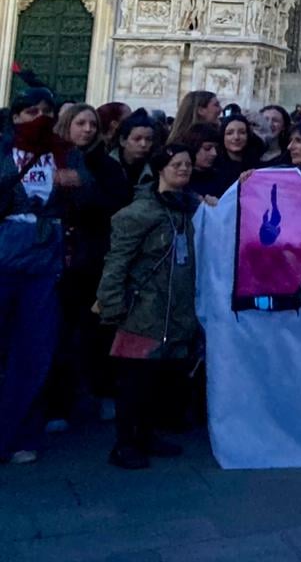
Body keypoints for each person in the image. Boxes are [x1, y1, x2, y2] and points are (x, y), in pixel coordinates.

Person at [97, 144, 204, 470]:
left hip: (174, 310)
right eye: (176, 164)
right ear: (160, 169)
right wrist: (112, 304)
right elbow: (117, 262)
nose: (183, 169)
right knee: (135, 380)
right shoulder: (139, 213)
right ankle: (125, 443)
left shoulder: (189, 209)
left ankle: (145, 434)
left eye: (187, 164)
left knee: (157, 379)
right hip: (142, 309)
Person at [0, 86, 90, 465]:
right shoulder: (4, 149)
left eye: (46, 111)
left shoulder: (65, 153)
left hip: (45, 258)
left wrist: (77, 183)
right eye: (31, 111)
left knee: (34, 348)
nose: (39, 118)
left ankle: (17, 433)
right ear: (16, 116)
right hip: (6, 252)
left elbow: (89, 195)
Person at [45, 103, 127, 432]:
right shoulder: (48, 160)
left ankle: (101, 391)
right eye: (80, 123)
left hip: (91, 258)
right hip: (54, 257)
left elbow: (117, 205)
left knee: (97, 331)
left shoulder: (105, 165)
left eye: (92, 123)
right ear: (67, 125)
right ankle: (57, 404)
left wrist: (84, 187)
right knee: (58, 333)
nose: (88, 129)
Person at [183, 124, 232, 200]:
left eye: (216, 148)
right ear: (193, 147)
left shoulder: (223, 177)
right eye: (207, 148)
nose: (214, 153)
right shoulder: (181, 181)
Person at [110, 111, 160, 188]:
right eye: (137, 139)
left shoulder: (156, 170)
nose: (143, 144)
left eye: (148, 139)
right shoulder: (105, 167)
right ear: (122, 140)